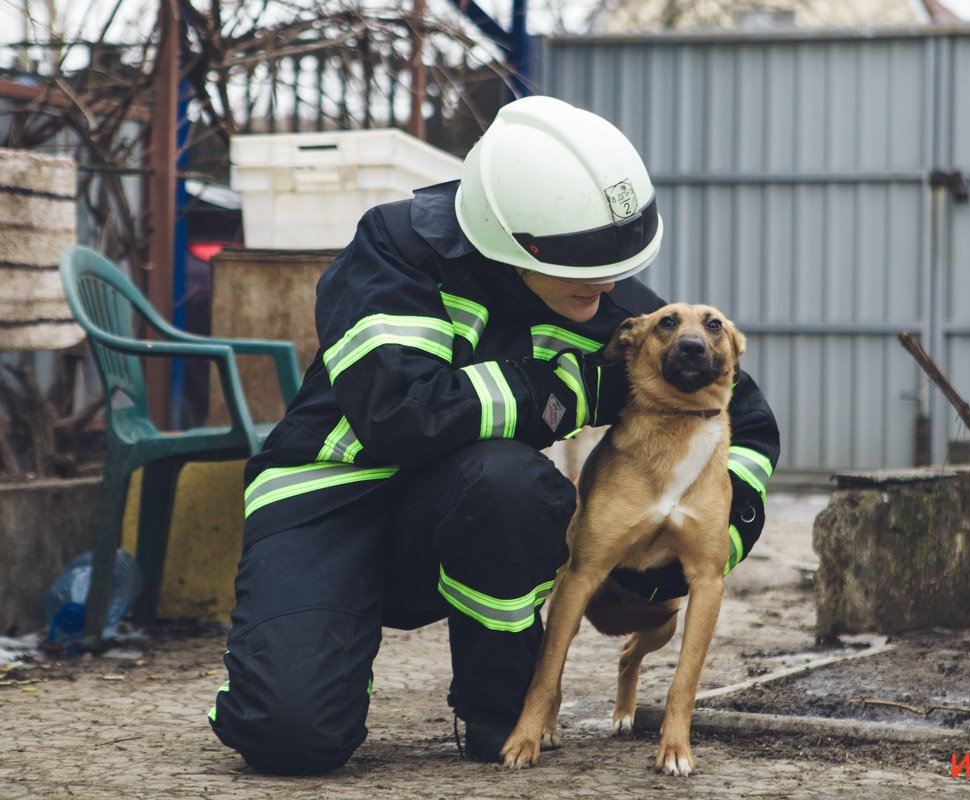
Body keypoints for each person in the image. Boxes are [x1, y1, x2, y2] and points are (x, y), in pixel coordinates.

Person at [208, 95, 780, 774]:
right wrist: (554, 392)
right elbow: (397, 415)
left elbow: (741, 412)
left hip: (461, 514)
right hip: (325, 499)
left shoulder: (599, 296)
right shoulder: (396, 253)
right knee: (290, 738)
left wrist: (687, 550)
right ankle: (301, 649)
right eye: (583, 261)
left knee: (516, 486)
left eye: (616, 259)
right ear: (513, 238)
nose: (605, 281)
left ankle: (494, 702)